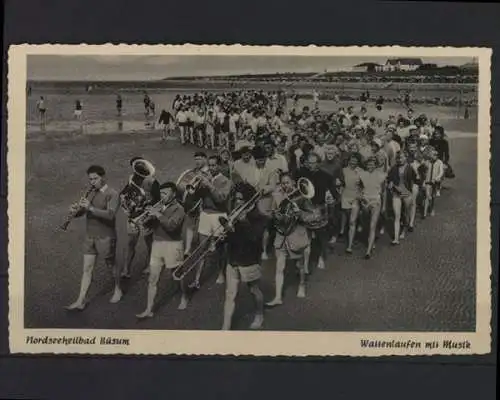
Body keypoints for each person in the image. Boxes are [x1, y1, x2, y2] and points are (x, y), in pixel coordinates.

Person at [66, 165, 121, 310]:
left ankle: (118, 288)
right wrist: (75, 211)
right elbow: (83, 212)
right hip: (90, 236)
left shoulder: (113, 194)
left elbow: (110, 216)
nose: (92, 182)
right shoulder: (90, 193)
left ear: (103, 177)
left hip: (106, 237)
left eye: (95, 178)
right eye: (90, 179)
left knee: (111, 266)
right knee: (87, 268)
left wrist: (90, 208)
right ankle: (81, 300)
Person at [136, 182, 187, 318]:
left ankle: (184, 296)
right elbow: (150, 225)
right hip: (157, 244)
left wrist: (157, 214)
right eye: (161, 193)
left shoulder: (179, 209)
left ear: (174, 194)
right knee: (153, 279)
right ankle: (148, 309)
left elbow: (172, 226)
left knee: (177, 276)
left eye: (165, 193)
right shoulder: (158, 206)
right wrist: (145, 218)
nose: (162, 196)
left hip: (173, 245)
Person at [221, 182, 267, 330]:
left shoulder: (259, 217)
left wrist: (245, 222)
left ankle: (259, 314)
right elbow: (230, 236)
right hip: (233, 258)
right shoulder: (233, 213)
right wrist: (223, 237)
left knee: (254, 290)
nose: (237, 202)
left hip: (249, 259)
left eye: (241, 199)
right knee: (230, 294)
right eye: (236, 198)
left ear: (248, 199)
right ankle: (225, 328)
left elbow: (255, 238)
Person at [266, 173, 312, 305]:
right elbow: (272, 213)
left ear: (293, 182)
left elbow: (311, 215)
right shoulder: (277, 195)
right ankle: (278, 297)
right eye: (283, 183)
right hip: (281, 235)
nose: (285, 185)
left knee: (300, 265)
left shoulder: (302, 197)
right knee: (279, 267)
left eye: (287, 182)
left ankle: (302, 285)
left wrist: (299, 213)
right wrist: (275, 215)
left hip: (296, 234)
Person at [189, 155, 232, 292]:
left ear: (219, 166)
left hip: (219, 215)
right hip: (205, 215)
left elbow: (221, 199)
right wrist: (195, 188)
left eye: (214, 165)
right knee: (201, 248)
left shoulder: (226, 181)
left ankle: (221, 273)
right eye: (210, 165)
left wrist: (209, 185)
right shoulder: (205, 179)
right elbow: (195, 197)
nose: (211, 168)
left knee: (220, 249)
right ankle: (196, 279)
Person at [296, 152, 338, 270]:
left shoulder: (326, 176)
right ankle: (305, 264)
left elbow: (332, 193)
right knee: (306, 237)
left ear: (319, 163)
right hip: (305, 208)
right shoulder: (301, 174)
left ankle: (321, 258)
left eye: (314, 163)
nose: (311, 165)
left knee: (321, 236)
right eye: (310, 163)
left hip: (320, 208)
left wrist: (331, 198)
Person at [121, 157, 160, 278]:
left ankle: (151, 264)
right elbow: (125, 191)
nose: (136, 172)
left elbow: (159, 201)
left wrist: (151, 210)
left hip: (145, 217)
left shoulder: (152, 182)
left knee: (149, 243)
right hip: (132, 216)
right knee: (130, 243)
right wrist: (123, 198)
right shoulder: (131, 179)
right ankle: (126, 269)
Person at [387, 152, 419, 244]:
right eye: (397, 158)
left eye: (401, 158)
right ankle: (396, 239)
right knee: (397, 215)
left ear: (405, 158)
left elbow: (415, 180)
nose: (399, 160)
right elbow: (389, 179)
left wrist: (413, 191)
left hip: (407, 193)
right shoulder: (394, 168)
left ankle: (404, 230)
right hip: (396, 194)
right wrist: (390, 183)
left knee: (405, 214)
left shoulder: (410, 168)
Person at [357, 157, 387, 258]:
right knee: (366, 222)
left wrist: (384, 205)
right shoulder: (362, 174)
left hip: (376, 201)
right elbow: (359, 189)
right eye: (368, 164)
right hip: (365, 201)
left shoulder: (381, 175)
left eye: (372, 164)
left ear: (376, 165)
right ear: (366, 165)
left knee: (372, 226)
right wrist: (361, 197)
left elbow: (384, 192)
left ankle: (368, 251)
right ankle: (370, 239)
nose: (370, 166)